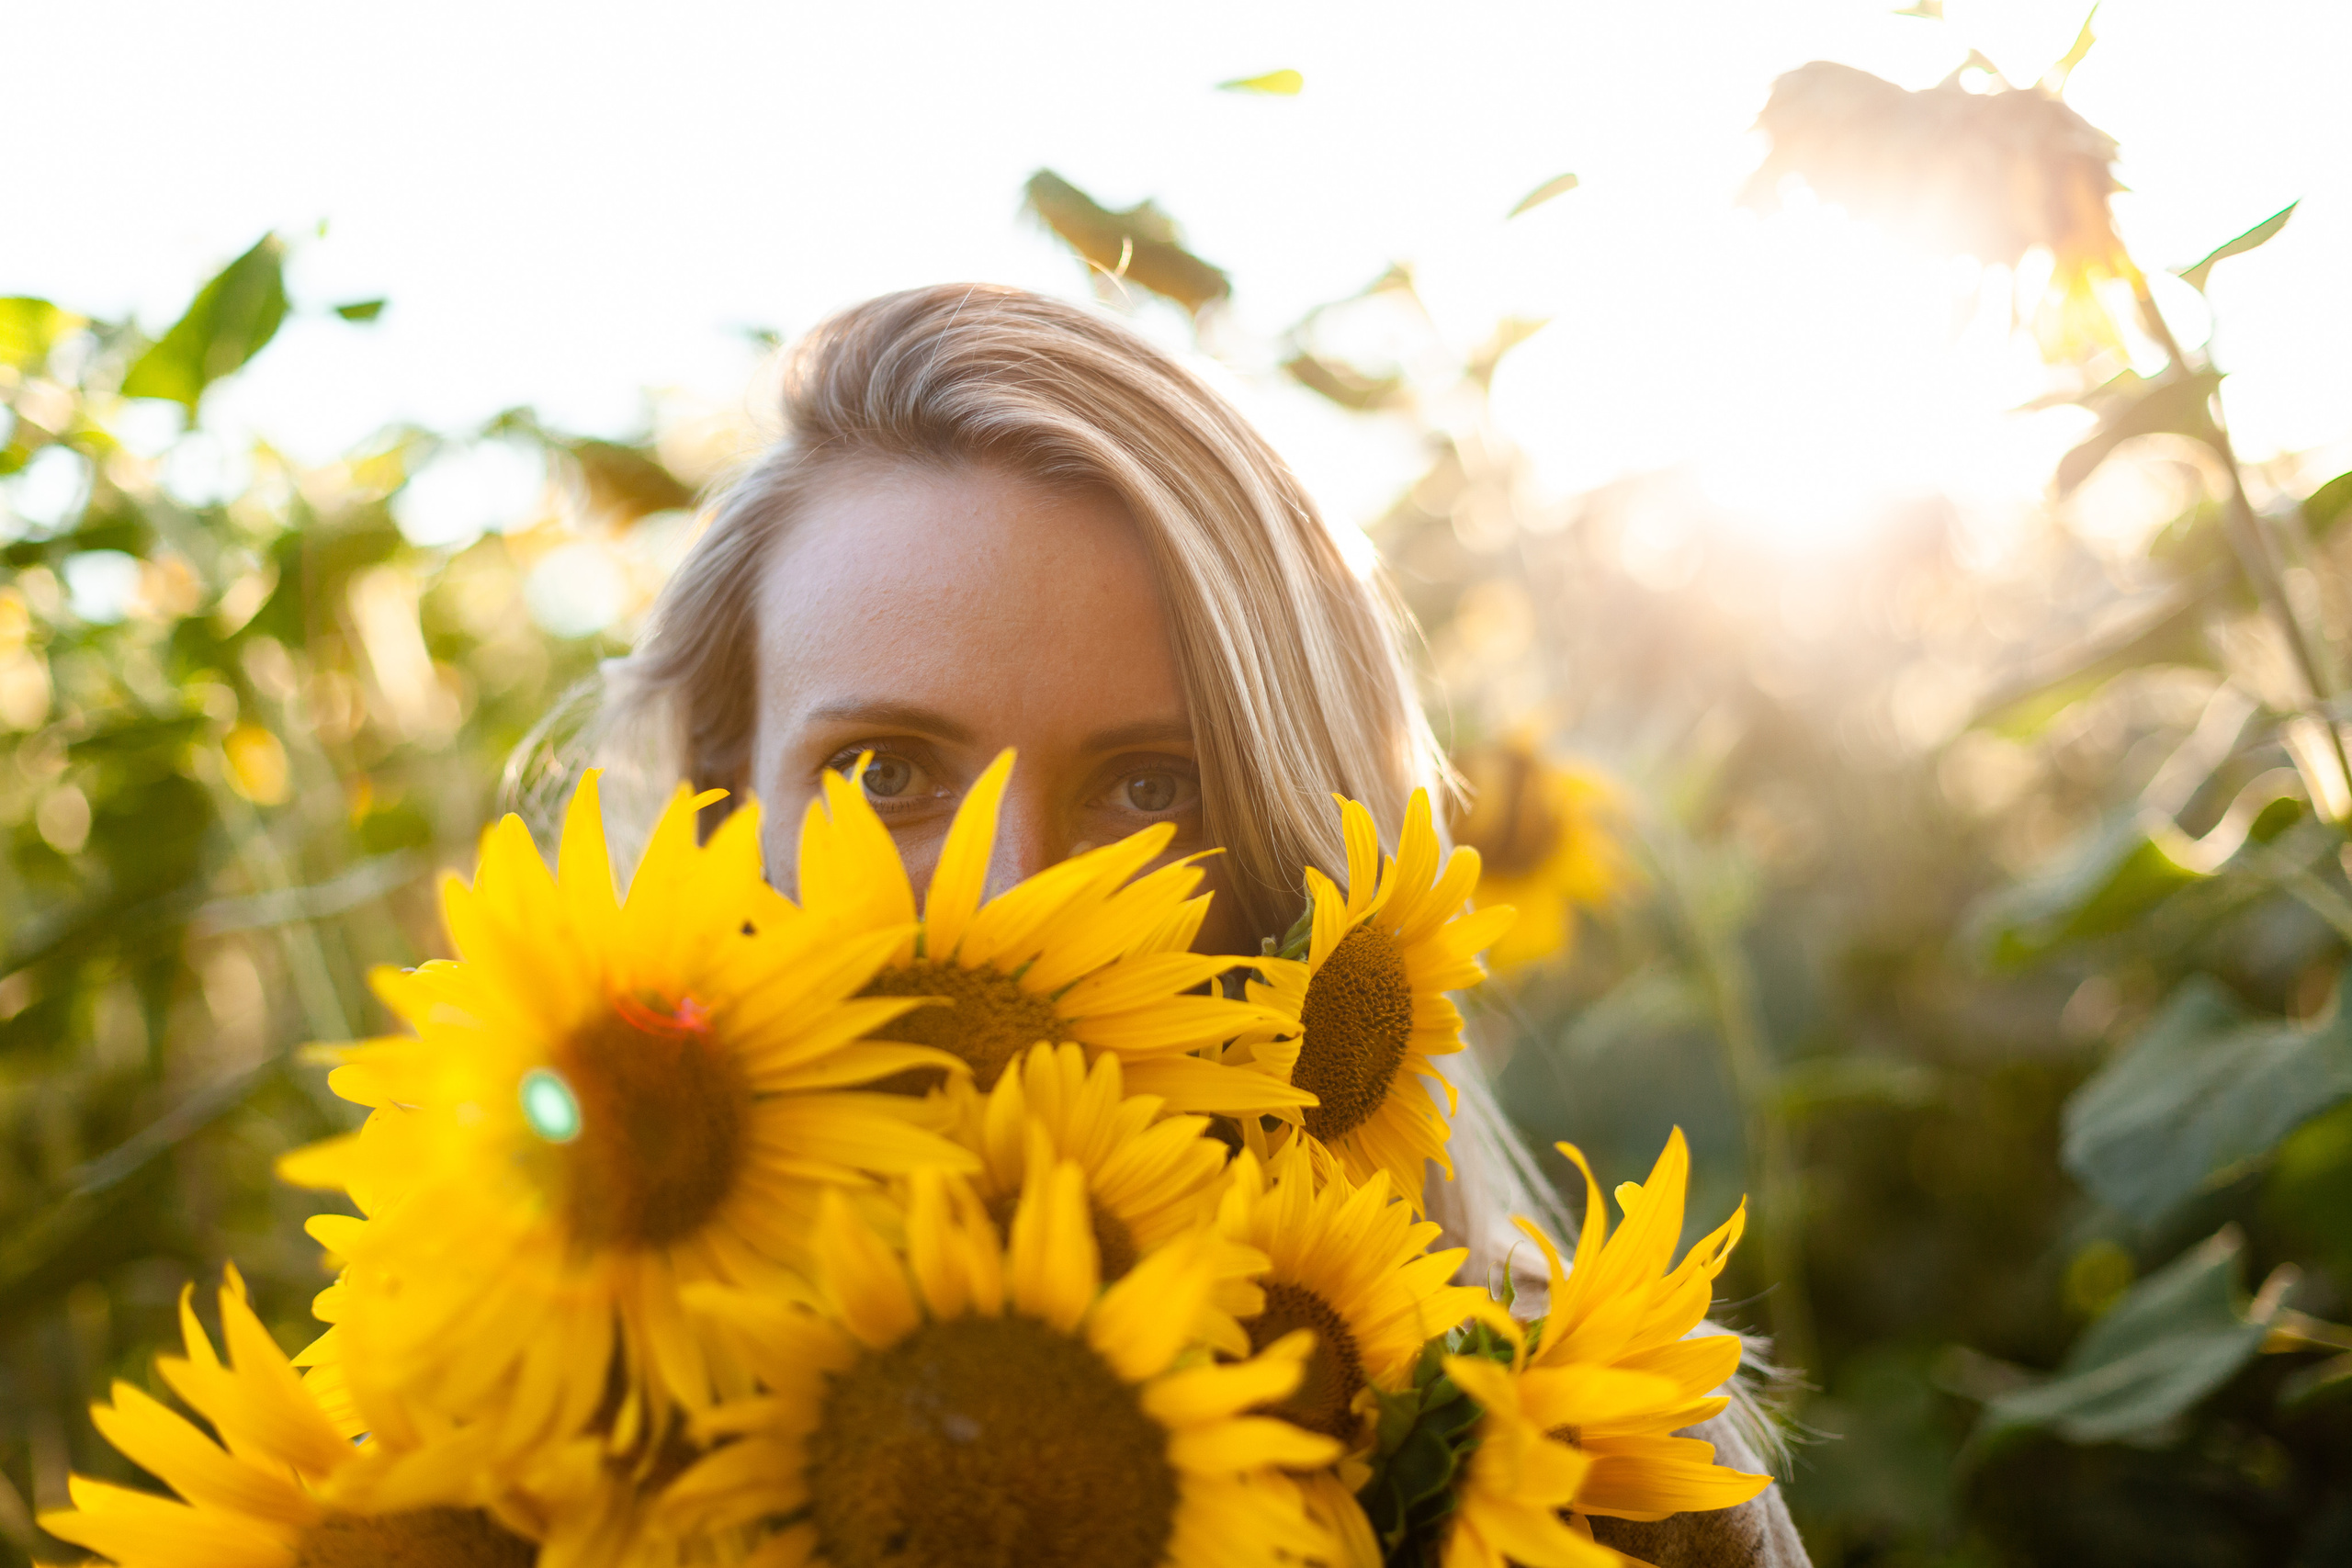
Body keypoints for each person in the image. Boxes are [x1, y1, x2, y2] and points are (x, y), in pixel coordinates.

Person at [517, 282, 1808, 1565]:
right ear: (715, 818)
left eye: (1150, 789)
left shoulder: (1579, 1473)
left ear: (1311, 857)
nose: (1013, 904)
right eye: (885, 774)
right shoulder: (507, 1461)